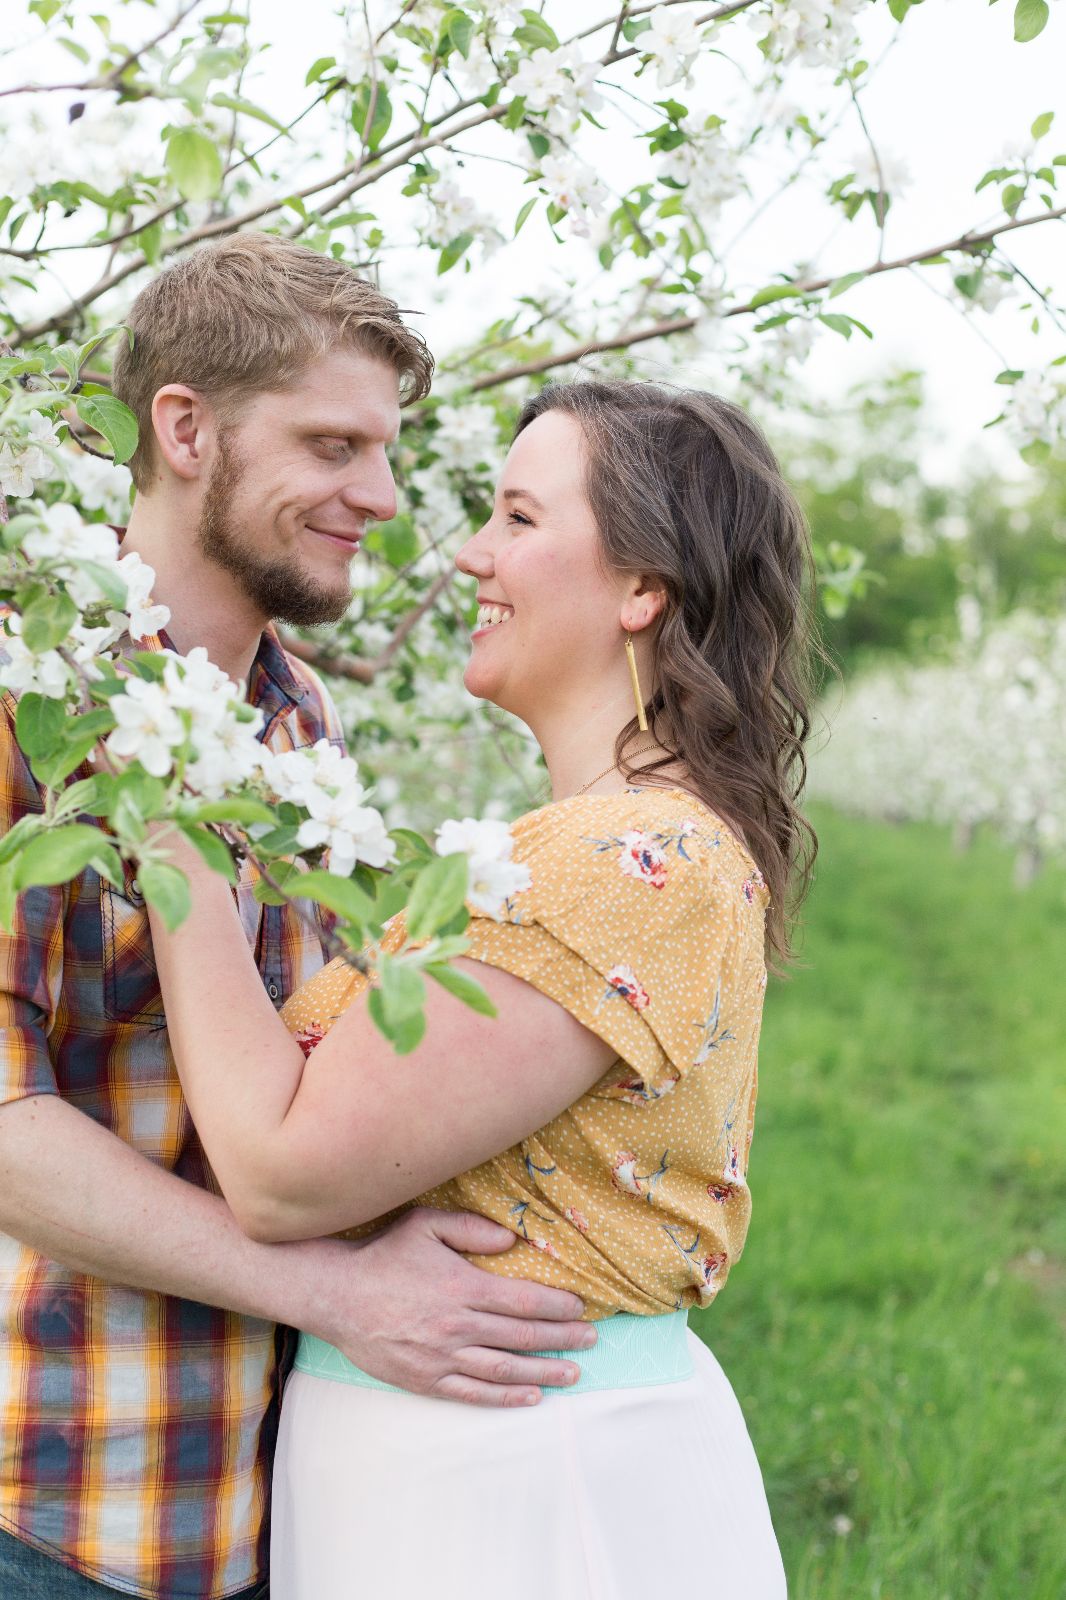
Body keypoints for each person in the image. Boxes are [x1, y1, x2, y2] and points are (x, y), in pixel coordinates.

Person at [145, 377, 821, 1598]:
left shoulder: (622, 861)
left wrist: (168, 830)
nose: (468, 554)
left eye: (517, 518)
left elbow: (285, 1170)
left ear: (640, 586)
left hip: (520, 1481)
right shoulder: (585, 843)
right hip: (464, 1464)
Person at [0, 236, 598, 1600]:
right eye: (333, 446)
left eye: (386, 450)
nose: (381, 496)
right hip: (56, 1499)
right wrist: (333, 1292)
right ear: (185, 429)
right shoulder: (29, 697)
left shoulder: (296, 715)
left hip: (277, 1493)